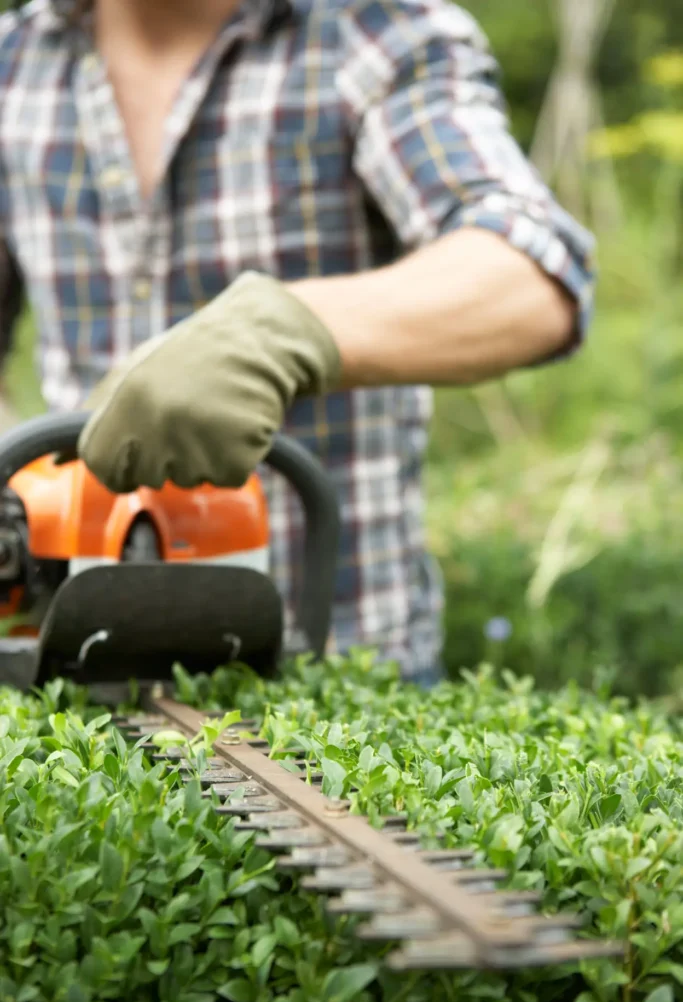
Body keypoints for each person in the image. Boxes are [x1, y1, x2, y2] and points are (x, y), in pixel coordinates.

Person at [0, 0, 595, 685]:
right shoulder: (16, 63)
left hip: (346, 670)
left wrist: (285, 331)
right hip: (75, 658)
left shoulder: (373, 32)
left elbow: (532, 271)